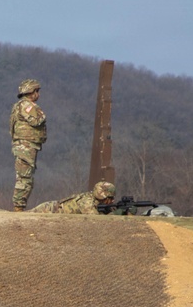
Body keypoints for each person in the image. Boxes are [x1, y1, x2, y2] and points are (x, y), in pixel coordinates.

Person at [10, 78, 47, 211]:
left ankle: (19, 206)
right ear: (31, 92)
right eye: (36, 91)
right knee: (24, 177)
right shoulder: (27, 106)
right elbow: (36, 121)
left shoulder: (20, 105)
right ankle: (18, 207)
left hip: (25, 145)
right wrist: (42, 115)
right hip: (25, 146)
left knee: (25, 176)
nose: (38, 94)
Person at [37, 181, 116, 214]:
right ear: (103, 197)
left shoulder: (94, 200)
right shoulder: (87, 202)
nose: (113, 201)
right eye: (110, 198)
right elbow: (96, 221)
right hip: (49, 210)